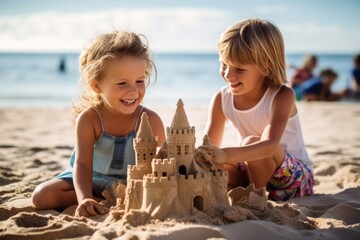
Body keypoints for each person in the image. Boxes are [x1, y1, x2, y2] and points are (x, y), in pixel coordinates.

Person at [31, 30, 166, 217]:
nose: (133, 91)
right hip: (92, 179)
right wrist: (84, 197)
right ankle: (96, 198)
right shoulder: (90, 119)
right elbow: (83, 164)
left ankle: (110, 197)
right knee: (42, 196)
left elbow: (163, 162)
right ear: (96, 86)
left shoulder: (150, 120)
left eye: (139, 81)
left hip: (131, 183)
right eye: (122, 83)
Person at [202, 19, 314, 201]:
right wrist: (209, 158)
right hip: (252, 169)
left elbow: (269, 145)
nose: (228, 75)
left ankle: (256, 200)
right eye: (224, 64)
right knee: (212, 166)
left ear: (266, 66)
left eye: (239, 68)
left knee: (251, 142)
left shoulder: (282, 95)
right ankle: (248, 192)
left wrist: (226, 154)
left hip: (293, 180)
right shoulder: (221, 99)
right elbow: (209, 148)